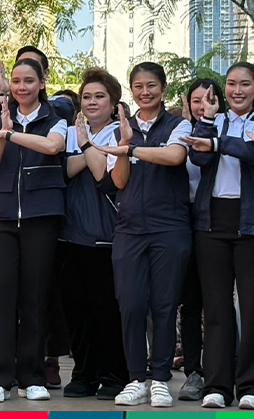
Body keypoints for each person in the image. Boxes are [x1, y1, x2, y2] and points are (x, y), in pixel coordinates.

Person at [90, 62, 193, 408]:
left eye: (151, 86)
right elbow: (118, 181)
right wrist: (123, 143)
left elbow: (175, 156)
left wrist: (131, 149)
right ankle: (137, 379)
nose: (145, 92)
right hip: (129, 230)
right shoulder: (120, 129)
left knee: (164, 305)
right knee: (131, 305)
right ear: (131, 90)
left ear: (163, 88)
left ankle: (160, 379)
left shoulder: (179, 125)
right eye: (138, 86)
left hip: (170, 228)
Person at [0, 58, 67, 403]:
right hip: (0, 217)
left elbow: (52, 147)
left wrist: (12, 134)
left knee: (35, 297)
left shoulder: (56, 120)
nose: (21, 87)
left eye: (28, 80)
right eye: (16, 81)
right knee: (0, 296)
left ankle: (32, 376)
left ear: (42, 83)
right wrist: (1, 134)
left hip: (41, 216)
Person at [182, 62, 254, 410]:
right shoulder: (215, 121)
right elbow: (198, 159)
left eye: (245, 84)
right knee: (216, 310)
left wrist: (217, 143)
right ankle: (217, 386)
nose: (237, 91)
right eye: (231, 84)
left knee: (251, 310)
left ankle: (249, 386)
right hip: (211, 223)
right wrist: (208, 122)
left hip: (250, 223)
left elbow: (249, 153)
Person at [58, 68, 129, 400]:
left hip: (106, 236)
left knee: (106, 311)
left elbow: (105, 179)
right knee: (76, 311)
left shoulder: (120, 133)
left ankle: (114, 374)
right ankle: (83, 374)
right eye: (86, 96)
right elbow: (62, 170)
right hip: (69, 235)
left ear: (113, 103)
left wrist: (87, 148)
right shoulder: (69, 132)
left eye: (100, 96)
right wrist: (90, 153)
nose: (92, 102)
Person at [175, 78, 225, 401]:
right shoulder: (178, 134)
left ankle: (226, 368)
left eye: (208, 99)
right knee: (190, 303)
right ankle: (194, 371)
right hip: (185, 223)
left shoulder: (225, 132)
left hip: (218, 224)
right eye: (195, 100)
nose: (201, 105)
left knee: (220, 303)